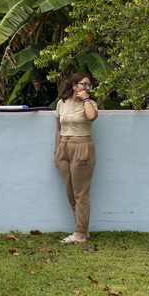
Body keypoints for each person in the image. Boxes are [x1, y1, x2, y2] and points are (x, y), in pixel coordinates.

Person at [54, 72, 98, 243]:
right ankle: (83, 230)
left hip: (82, 147)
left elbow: (92, 117)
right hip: (64, 148)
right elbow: (58, 128)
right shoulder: (61, 104)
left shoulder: (90, 104)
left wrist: (86, 99)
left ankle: (80, 233)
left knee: (81, 193)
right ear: (74, 86)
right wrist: (57, 150)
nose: (87, 87)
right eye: (83, 84)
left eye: (89, 85)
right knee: (71, 192)